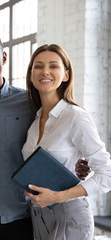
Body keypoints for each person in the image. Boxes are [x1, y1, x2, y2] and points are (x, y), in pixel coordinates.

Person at [0, 29, 91, 240]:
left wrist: (76, 161)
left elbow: (55, 133)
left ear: (4, 57)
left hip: (21, 216)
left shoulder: (30, 102)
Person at [22, 44, 111, 240]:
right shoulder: (34, 122)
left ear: (66, 75)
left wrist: (57, 197)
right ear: (31, 75)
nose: (45, 71)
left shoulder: (75, 116)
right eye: (38, 66)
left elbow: (107, 175)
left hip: (69, 214)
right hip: (38, 215)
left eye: (53, 66)